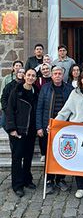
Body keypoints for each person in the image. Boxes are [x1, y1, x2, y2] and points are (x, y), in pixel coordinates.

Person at [36, 66, 73, 194]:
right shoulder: (45, 88)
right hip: (49, 127)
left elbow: (73, 109)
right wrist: (39, 127)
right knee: (49, 154)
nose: (57, 75)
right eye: (55, 73)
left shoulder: (69, 89)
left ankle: (60, 179)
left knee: (62, 155)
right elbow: (40, 108)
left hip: (64, 127)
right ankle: (49, 180)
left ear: (63, 75)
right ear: (51, 75)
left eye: (59, 73)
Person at [6, 68, 38, 197]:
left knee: (28, 156)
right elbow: (9, 110)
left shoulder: (36, 91)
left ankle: (27, 179)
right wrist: (12, 128)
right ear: (24, 76)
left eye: (33, 76)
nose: (30, 77)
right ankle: (17, 185)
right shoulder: (16, 91)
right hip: (18, 129)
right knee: (17, 157)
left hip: (30, 130)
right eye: (28, 75)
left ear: (35, 78)